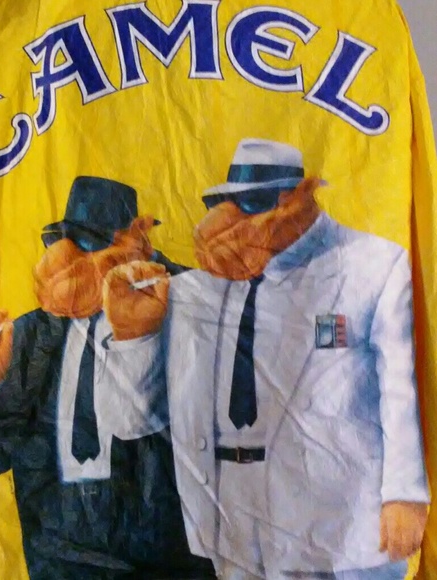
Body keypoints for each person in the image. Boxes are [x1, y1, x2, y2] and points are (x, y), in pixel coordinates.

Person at [104, 140, 430, 579]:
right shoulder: (190, 293)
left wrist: (405, 493)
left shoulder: (373, 266)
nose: (236, 221)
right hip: (233, 529)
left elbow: (402, 388)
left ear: (297, 198)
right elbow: (131, 422)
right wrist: (133, 336)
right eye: (226, 204)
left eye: (257, 202)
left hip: (342, 533)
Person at [0, 176, 214, 580]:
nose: (78, 262)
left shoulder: (183, 309)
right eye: (71, 245)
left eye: (94, 245)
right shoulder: (30, 334)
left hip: (164, 554)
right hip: (59, 553)